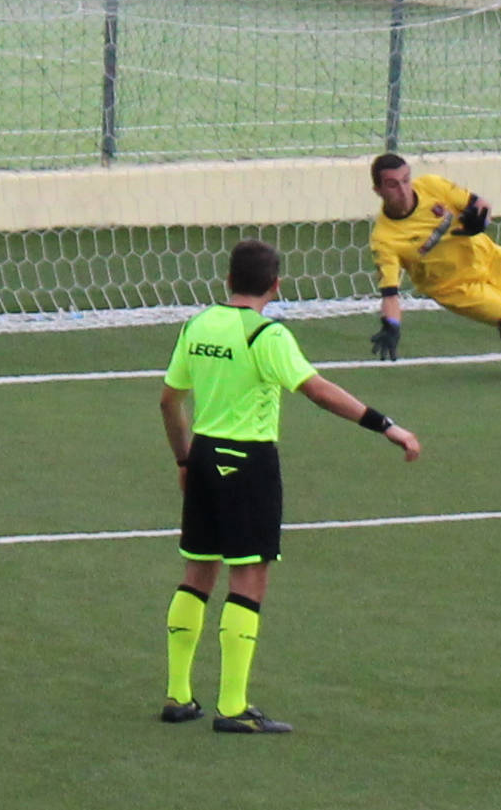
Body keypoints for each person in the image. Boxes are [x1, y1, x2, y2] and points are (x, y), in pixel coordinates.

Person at [160, 238, 422, 734]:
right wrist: (387, 425)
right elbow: (319, 391)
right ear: (276, 286)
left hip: (204, 456)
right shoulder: (267, 335)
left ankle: (178, 696)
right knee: (248, 579)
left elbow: (169, 401)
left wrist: (183, 458)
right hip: (248, 462)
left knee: (197, 572)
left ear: (227, 280)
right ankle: (233, 708)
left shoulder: (197, 326)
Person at [367, 152, 501, 377]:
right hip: (458, 288)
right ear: (379, 191)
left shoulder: (432, 185)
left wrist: (481, 221)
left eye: (406, 180)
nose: (403, 190)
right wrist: (391, 325)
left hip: (486, 255)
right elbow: (390, 294)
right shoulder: (384, 239)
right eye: (392, 185)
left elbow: (480, 204)